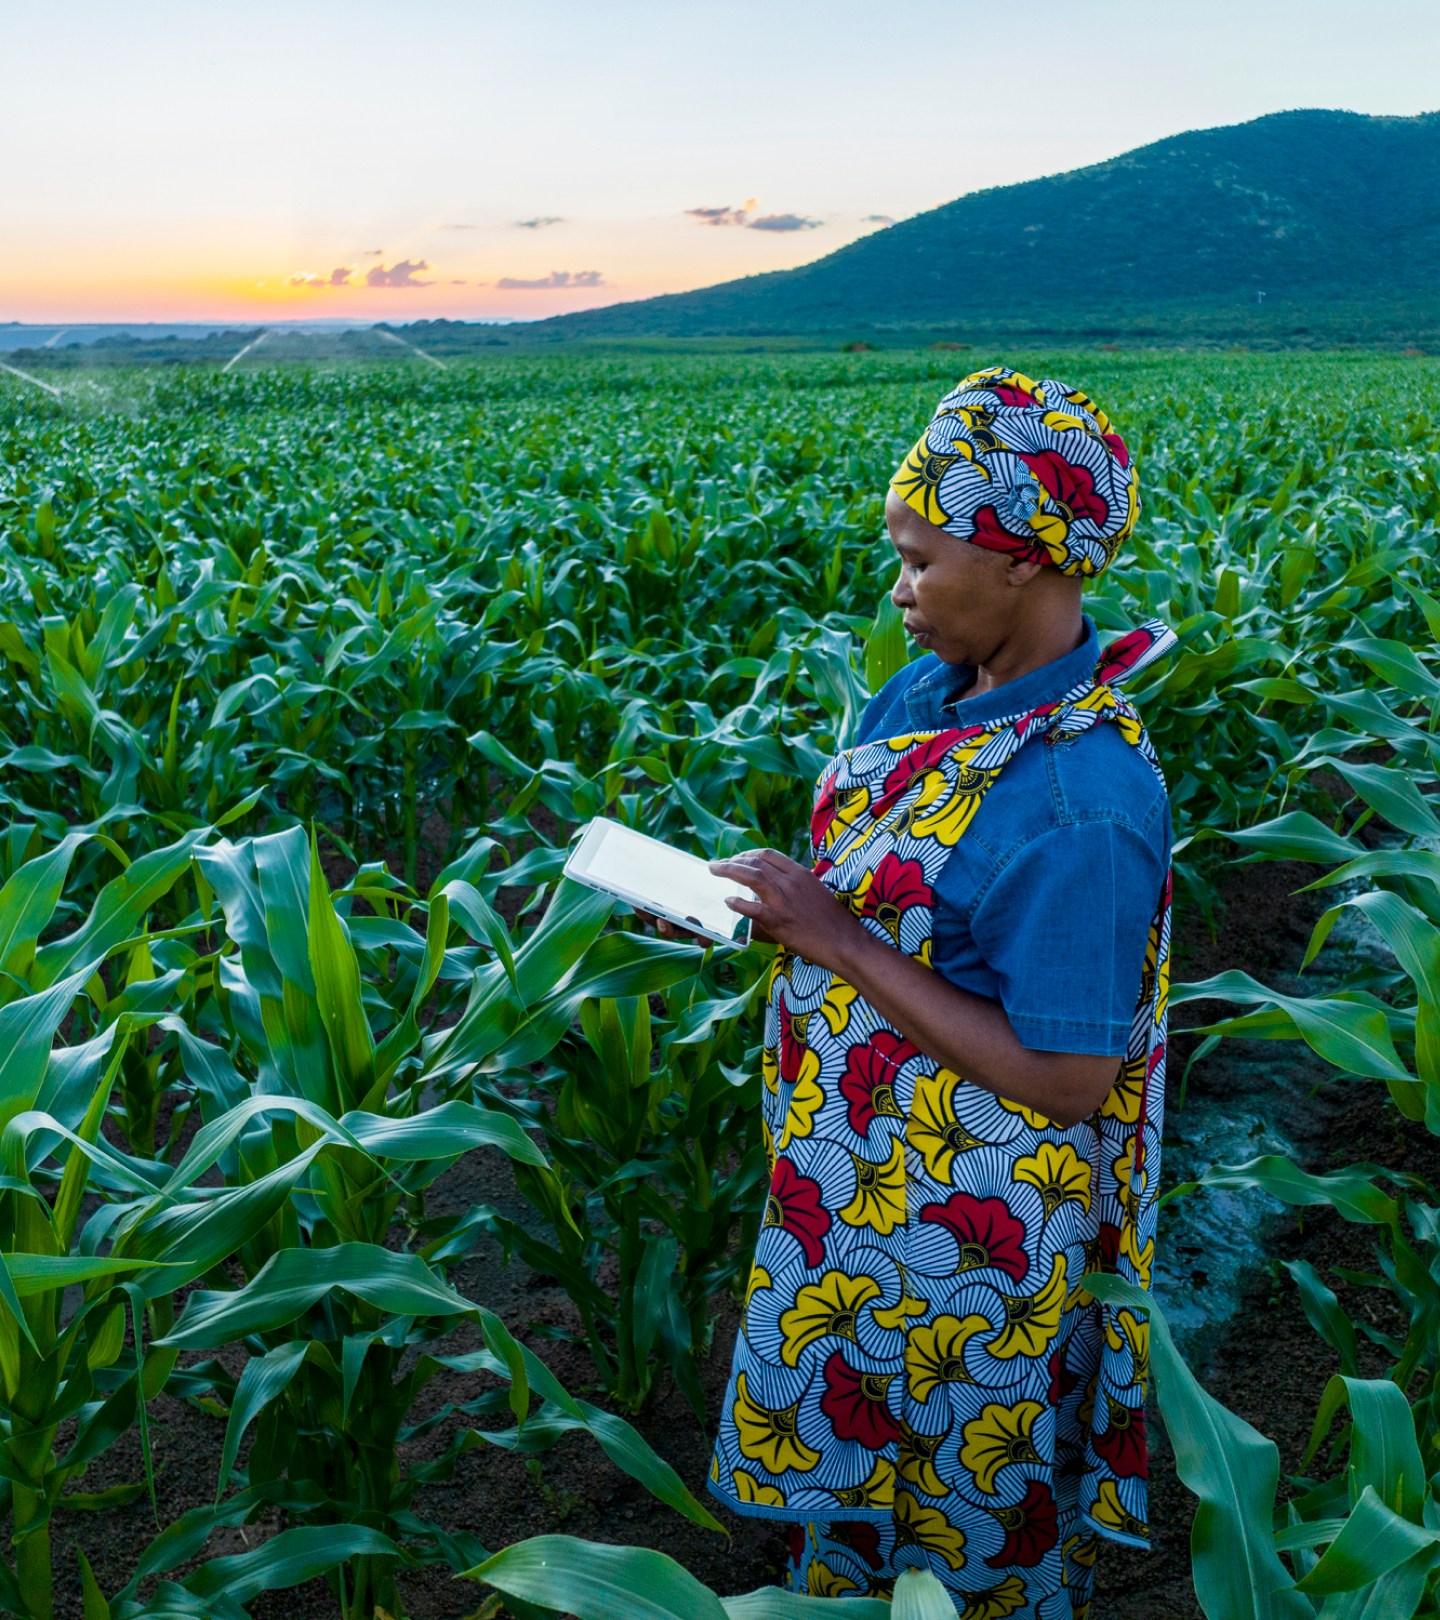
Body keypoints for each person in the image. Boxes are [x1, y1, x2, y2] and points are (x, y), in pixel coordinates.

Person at [697, 368, 1173, 1619]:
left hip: (970, 1248)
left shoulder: (1081, 807)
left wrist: (833, 938)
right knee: (855, 1509)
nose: (898, 589)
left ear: (1024, 559)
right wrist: (765, 911)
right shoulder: (936, 691)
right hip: (859, 1186)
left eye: (920, 558)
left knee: (961, 1544)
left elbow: (1069, 1081)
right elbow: (886, 892)